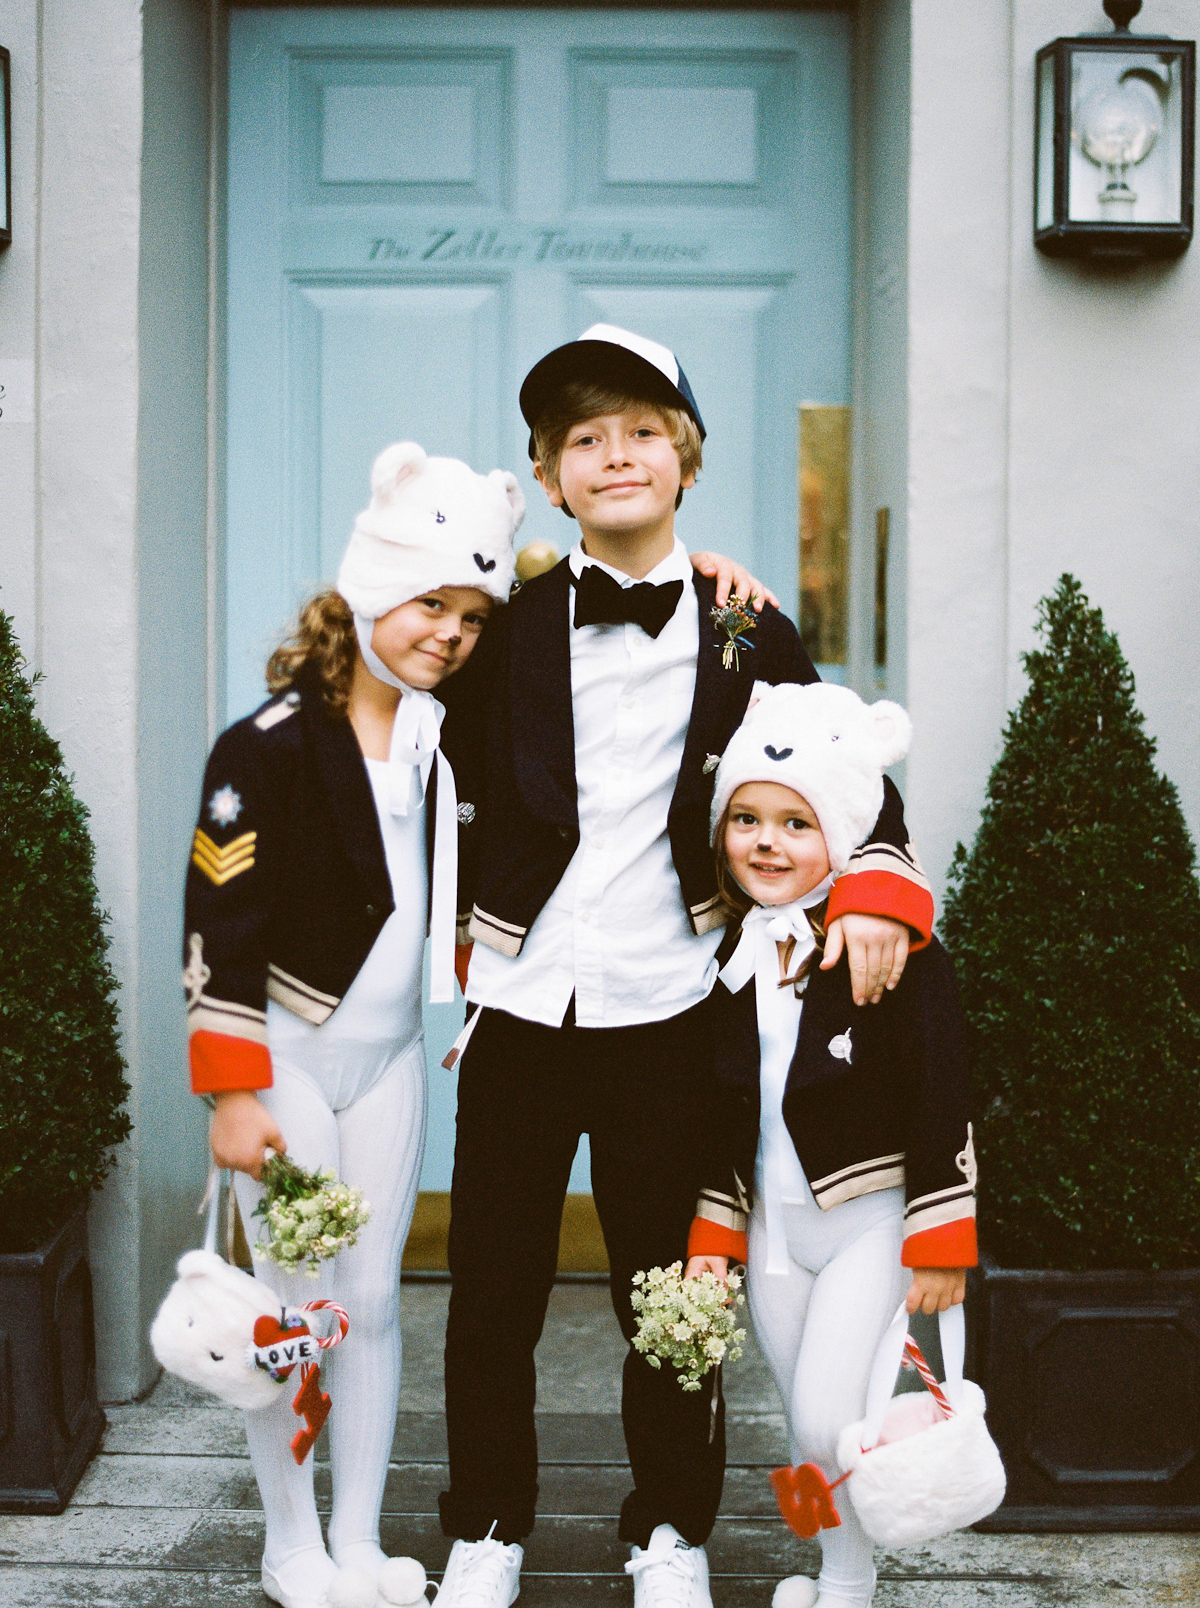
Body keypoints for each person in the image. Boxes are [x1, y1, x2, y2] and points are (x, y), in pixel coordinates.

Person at [435, 325, 934, 1608]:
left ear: (687, 460)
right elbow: (399, 707)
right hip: (522, 1001)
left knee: (677, 1290)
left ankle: (671, 1528)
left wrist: (877, 891)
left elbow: (850, 773)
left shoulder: (747, 629)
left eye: (642, 432)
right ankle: (487, 1522)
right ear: (550, 476)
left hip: (677, 1006)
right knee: (495, 1285)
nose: (616, 457)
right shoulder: (507, 627)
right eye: (584, 440)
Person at [182, 443, 524, 1608]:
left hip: (386, 1064)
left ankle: (361, 1538)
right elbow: (220, 921)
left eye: (473, 615)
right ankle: (292, 1545)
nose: (452, 633)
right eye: (433, 602)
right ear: (373, 591)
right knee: (298, 1306)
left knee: (371, 1298)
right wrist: (232, 1090)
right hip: (285, 1056)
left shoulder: (439, 734)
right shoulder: (268, 746)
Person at [685, 681, 977, 1608]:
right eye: (747, 819)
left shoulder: (885, 949)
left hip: (867, 1221)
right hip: (776, 1229)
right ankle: (837, 1568)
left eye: (796, 824)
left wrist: (941, 1235)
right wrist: (714, 1234)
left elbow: (945, 1085)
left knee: (825, 1411)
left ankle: (851, 1581)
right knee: (804, 1425)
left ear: (842, 838)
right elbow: (725, 1115)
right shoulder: (729, 958)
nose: (767, 842)